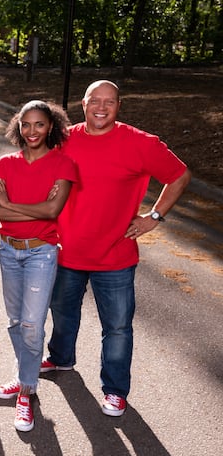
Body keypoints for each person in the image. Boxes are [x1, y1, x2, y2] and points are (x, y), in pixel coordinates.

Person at [42, 80, 190, 417]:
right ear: (83, 103)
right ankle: (61, 358)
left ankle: (115, 390)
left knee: (118, 327)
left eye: (109, 102)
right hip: (67, 250)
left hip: (116, 255)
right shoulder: (63, 139)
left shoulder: (141, 143)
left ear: (118, 106)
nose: (101, 107)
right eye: (95, 100)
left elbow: (180, 175)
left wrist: (155, 216)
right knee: (62, 313)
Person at [0, 100, 77, 432]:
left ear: (51, 126)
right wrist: (27, 207)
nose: (32, 131)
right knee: (14, 320)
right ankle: (24, 375)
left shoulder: (63, 164)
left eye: (39, 124)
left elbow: (52, 211)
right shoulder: (6, 163)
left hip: (42, 252)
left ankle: (26, 393)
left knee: (31, 324)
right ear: (18, 127)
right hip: (8, 251)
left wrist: (11, 203)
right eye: (26, 124)